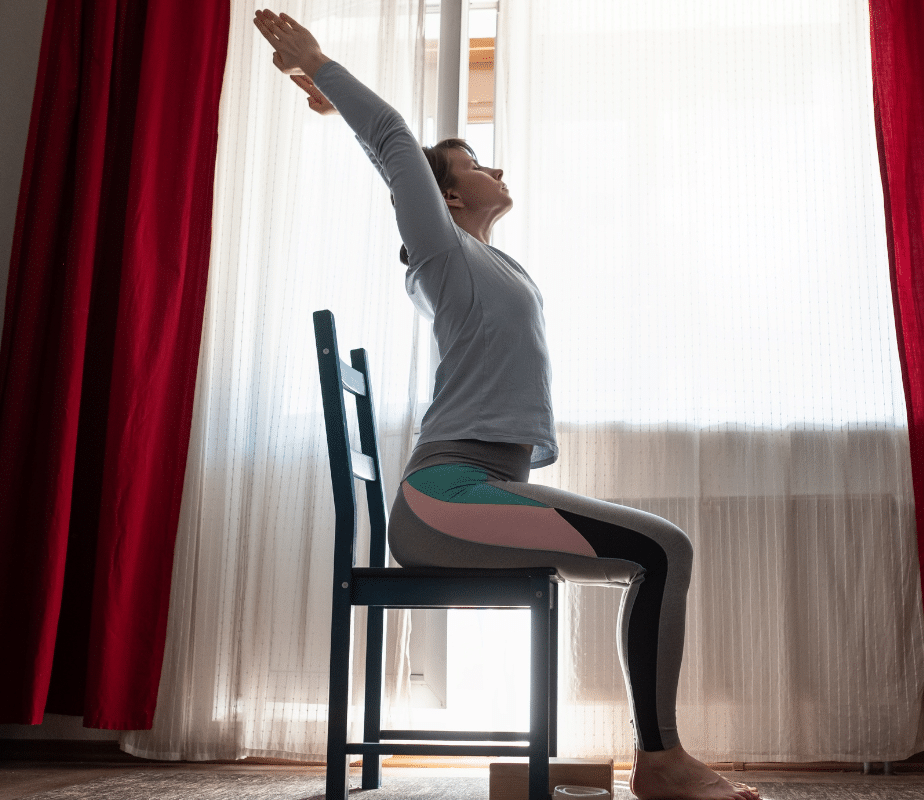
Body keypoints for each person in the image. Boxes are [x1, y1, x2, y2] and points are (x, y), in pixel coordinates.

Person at [253, 10, 760, 800]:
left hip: (484, 490)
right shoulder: (444, 256)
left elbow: (392, 155)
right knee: (663, 551)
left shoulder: (491, 263)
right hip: (445, 499)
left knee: (660, 553)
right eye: (473, 164)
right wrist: (320, 66)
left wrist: (342, 111)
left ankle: (659, 758)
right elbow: (394, 144)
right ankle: (661, 762)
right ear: (449, 196)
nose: (495, 168)